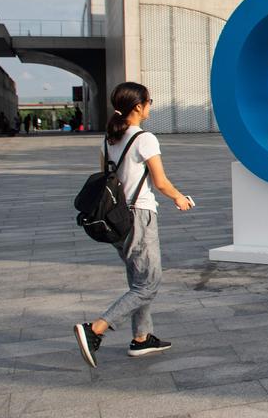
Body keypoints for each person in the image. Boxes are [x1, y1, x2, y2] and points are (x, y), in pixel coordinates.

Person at [75, 82, 194, 369]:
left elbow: (109, 178)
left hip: (115, 219)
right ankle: (96, 329)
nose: (150, 106)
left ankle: (141, 338)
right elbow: (160, 181)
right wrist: (180, 198)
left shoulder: (108, 138)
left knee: (137, 279)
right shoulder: (145, 139)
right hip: (139, 217)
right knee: (149, 283)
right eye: (149, 101)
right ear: (138, 106)